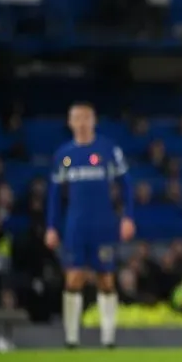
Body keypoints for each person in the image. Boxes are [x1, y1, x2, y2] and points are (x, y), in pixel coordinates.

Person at [46, 102, 135, 348]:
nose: (82, 122)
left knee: (106, 279)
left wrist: (127, 217)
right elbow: (55, 195)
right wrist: (51, 226)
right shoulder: (64, 155)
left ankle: (108, 339)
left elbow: (126, 185)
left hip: (104, 224)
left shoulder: (108, 150)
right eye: (77, 118)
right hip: (75, 225)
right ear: (70, 122)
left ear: (94, 121)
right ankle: (71, 338)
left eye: (86, 118)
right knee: (73, 278)